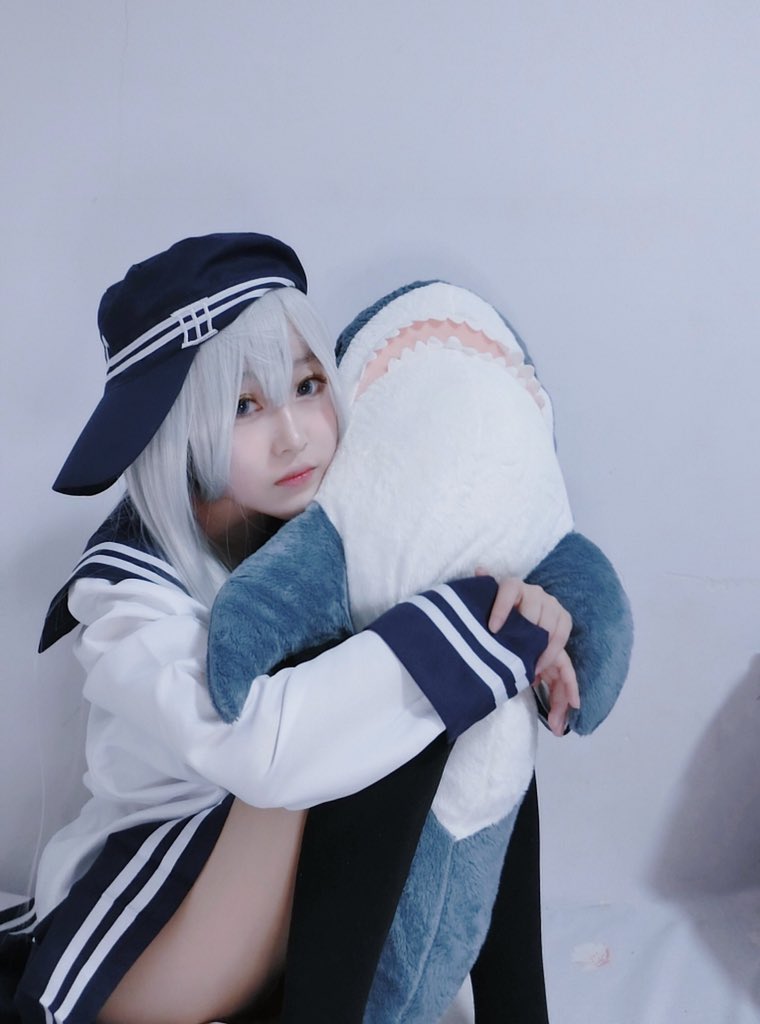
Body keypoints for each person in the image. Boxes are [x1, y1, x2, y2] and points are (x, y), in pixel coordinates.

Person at [12, 233, 578, 1024]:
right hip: (148, 940)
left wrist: (517, 626)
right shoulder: (122, 596)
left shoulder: (326, 527)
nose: (294, 433)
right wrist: (468, 631)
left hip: (263, 914)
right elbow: (264, 749)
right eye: (244, 406)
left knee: (462, 680)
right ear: (176, 426)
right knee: (401, 670)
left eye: (309, 386)